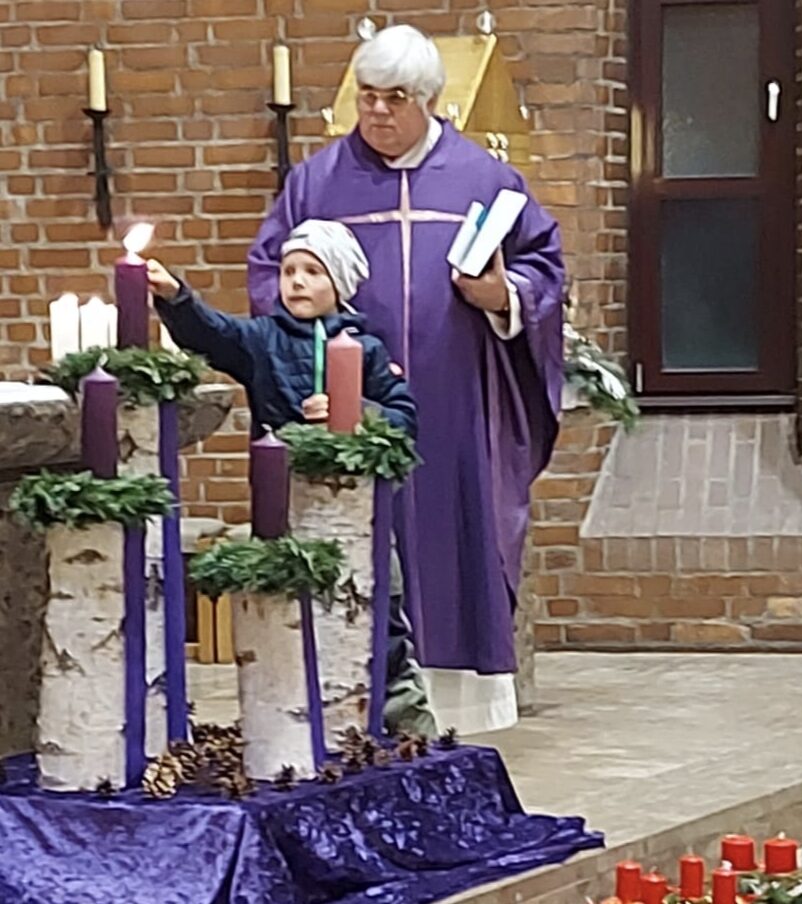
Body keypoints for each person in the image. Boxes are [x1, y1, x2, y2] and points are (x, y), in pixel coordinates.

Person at [248, 26, 565, 734]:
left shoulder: (485, 180)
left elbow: (543, 267)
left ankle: (452, 707)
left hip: (457, 406)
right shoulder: (316, 183)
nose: (377, 111)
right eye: (367, 96)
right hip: (348, 411)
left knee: (452, 540)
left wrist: (500, 294)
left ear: (429, 101)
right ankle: (349, 699)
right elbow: (270, 273)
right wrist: (302, 344)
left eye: (394, 98)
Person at [147, 218, 436, 736]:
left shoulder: (368, 349)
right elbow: (213, 332)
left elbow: (404, 417)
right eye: (289, 270)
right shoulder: (263, 341)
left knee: (379, 612)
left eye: (313, 272)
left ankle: (407, 722)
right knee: (292, 615)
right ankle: (296, 724)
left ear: (340, 284)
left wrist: (355, 410)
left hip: (359, 516)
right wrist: (176, 298)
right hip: (288, 508)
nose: (297, 281)